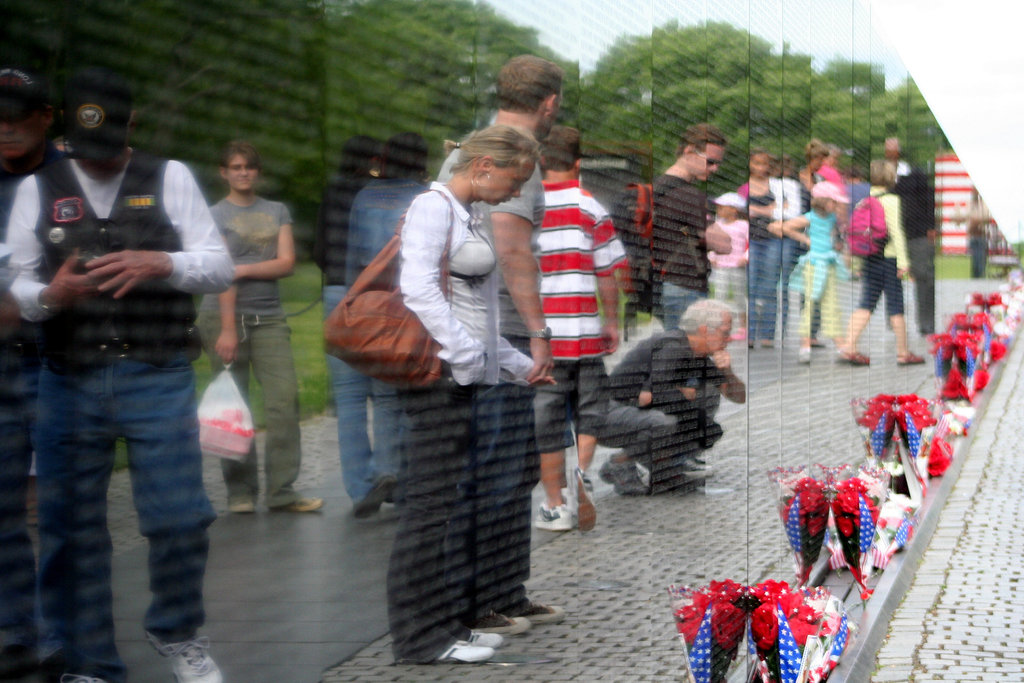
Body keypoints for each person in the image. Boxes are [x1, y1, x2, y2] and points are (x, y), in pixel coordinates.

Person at [6, 67, 231, 683]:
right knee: (69, 527)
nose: (96, 163)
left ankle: (177, 630)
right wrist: (51, 295)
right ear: (65, 133)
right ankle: (89, 663)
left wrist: (165, 261)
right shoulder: (39, 184)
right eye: (85, 151)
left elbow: (218, 266)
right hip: (68, 378)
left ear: (132, 125)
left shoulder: (170, 176)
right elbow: (18, 284)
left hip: (155, 372)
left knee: (181, 516)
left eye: (109, 149)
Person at [386, 125, 545, 664]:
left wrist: (516, 363)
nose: (514, 192)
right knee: (429, 509)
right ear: (481, 167)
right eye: (513, 179)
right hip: (436, 378)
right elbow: (418, 289)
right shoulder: (433, 208)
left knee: (448, 505)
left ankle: (447, 621)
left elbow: (478, 310)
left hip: (464, 374)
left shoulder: (466, 211)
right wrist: (463, 354)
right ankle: (419, 637)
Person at [436, 54, 564, 636]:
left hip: (486, 330)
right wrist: (539, 333)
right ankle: (478, 598)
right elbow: (511, 249)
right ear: (550, 103)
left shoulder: (480, 141)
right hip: (498, 334)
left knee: (512, 467)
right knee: (495, 466)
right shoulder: (515, 153)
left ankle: (506, 588)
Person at [196, 141, 322, 514]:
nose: (243, 173)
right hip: (223, 316)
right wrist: (227, 329)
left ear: (258, 172)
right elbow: (221, 273)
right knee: (232, 406)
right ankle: (240, 492)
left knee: (284, 401)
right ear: (224, 172)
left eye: (249, 167)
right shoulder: (214, 214)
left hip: (269, 317)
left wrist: (246, 267)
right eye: (235, 167)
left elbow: (287, 263)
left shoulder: (277, 210)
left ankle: (282, 491)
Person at [0, 65, 64, 680]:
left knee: (59, 506)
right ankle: (21, 628)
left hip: (57, 357)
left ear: (45, 117)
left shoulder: (70, 176)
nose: (3, 130)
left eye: (16, 117)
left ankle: (62, 632)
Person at [326, 132, 427, 517]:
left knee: (356, 400)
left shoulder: (365, 195)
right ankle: (396, 475)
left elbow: (353, 252)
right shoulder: (425, 195)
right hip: (409, 303)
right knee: (395, 396)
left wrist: (354, 300)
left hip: (370, 298)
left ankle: (370, 480)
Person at [532, 126, 627, 532]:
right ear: (577, 163)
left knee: (547, 418)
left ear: (539, 161)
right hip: (585, 330)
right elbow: (609, 272)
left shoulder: (525, 207)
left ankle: (555, 504)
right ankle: (581, 473)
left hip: (542, 336)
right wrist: (611, 321)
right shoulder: (591, 206)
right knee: (590, 410)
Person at [598, 299, 746, 495]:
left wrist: (727, 371)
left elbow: (738, 397)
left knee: (707, 397)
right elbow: (653, 396)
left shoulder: (699, 356)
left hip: (634, 412)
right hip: (605, 415)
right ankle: (621, 464)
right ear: (704, 330)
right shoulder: (672, 347)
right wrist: (700, 422)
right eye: (725, 332)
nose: (729, 339)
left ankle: (666, 467)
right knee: (663, 420)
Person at [839, 160, 924, 366]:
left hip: (870, 256)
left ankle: (848, 346)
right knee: (896, 305)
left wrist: (859, 263)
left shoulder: (865, 198)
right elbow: (896, 232)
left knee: (866, 302)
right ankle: (903, 353)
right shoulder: (892, 200)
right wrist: (904, 263)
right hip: (889, 257)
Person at [651, 123, 732, 331]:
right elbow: (725, 245)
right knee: (689, 355)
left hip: (659, 284)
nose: (715, 169)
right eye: (711, 162)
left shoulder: (656, 187)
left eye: (718, 163)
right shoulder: (688, 195)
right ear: (688, 151)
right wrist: (703, 235)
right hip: (685, 286)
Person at [772, 182, 851, 363]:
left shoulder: (832, 218)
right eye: (833, 202)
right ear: (823, 201)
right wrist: (805, 239)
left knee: (831, 303)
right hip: (814, 264)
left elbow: (841, 222)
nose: (836, 205)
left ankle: (839, 343)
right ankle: (805, 344)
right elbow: (781, 227)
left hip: (828, 262)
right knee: (810, 304)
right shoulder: (811, 217)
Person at [887, 138, 936, 334]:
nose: (890, 154)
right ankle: (894, 320)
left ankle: (926, 321)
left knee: (924, 275)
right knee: (891, 278)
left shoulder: (916, 175)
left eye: (893, 150)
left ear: (899, 152)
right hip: (890, 234)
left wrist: (931, 226)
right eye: (887, 151)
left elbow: (929, 200)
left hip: (917, 232)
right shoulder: (882, 175)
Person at [740, 148, 778, 349]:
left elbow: (782, 210)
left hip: (773, 239)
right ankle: (751, 333)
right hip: (752, 240)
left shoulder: (776, 186)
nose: (760, 168)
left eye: (764, 164)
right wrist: (765, 211)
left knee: (770, 287)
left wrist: (758, 210)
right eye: (756, 163)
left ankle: (768, 334)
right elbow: (738, 213)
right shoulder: (744, 188)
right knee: (751, 287)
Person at [707, 192, 748, 341]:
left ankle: (743, 327)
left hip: (737, 266)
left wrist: (745, 257)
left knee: (739, 297)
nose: (718, 211)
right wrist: (711, 256)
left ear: (733, 209)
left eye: (722, 207)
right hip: (721, 266)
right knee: (720, 296)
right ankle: (720, 328)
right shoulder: (716, 224)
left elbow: (750, 244)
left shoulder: (743, 225)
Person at [965, 188, 991, 279]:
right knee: (974, 260)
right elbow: (968, 217)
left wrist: (975, 219)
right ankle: (975, 277)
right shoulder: (969, 205)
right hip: (973, 235)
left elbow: (985, 217)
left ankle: (981, 277)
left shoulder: (983, 205)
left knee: (981, 259)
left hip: (981, 236)